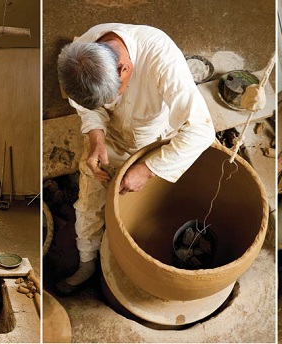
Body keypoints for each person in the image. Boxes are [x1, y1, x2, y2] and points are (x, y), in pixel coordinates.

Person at [55, 23, 224, 294]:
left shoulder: (162, 58)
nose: (113, 100)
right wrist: (96, 139)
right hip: (110, 138)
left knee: (158, 196)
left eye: (114, 94)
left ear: (125, 69)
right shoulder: (78, 57)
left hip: (154, 137)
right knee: (89, 201)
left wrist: (147, 169)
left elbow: (201, 131)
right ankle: (87, 259)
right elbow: (87, 108)